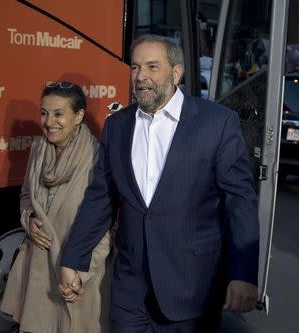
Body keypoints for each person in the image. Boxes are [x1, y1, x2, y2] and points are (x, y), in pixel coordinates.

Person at [58, 34, 259, 333]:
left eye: (153, 67)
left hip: (193, 290)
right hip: (130, 291)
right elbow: (101, 198)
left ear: (176, 73)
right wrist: (73, 258)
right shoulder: (117, 126)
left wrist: (243, 274)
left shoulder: (217, 123)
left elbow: (239, 201)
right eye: (136, 67)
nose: (141, 77)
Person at [0, 81, 112, 333]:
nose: (49, 121)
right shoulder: (38, 149)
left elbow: (103, 222)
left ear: (79, 116)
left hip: (76, 272)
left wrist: (81, 274)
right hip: (39, 270)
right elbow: (27, 195)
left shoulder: (96, 156)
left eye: (58, 114)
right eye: (44, 113)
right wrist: (28, 219)